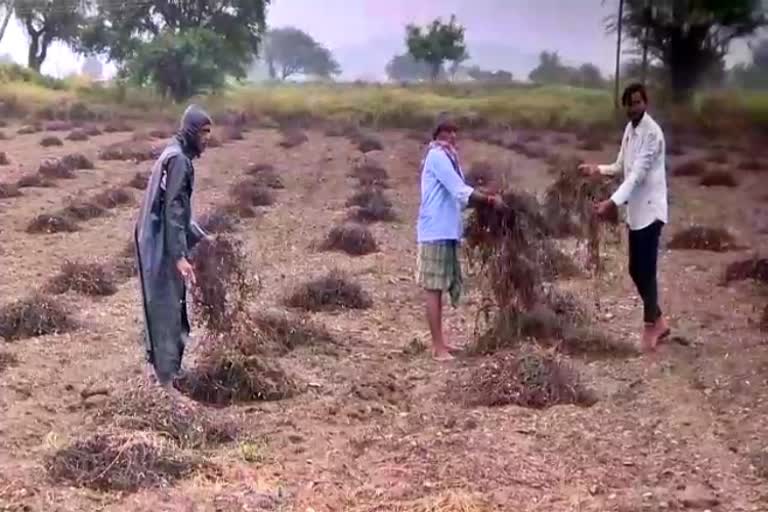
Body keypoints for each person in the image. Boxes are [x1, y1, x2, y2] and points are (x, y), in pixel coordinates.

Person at [579, 83, 670, 352]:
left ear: (646, 103)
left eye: (638, 102)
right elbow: (621, 166)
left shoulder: (652, 134)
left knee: (647, 270)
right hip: (636, 211)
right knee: (634, 269)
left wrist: (611, 202)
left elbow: (637, 174)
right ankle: (659, 319)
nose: (634, 108)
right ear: (625, 107)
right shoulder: (630, 130)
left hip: (651, 209)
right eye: (630, 104)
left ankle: (650, 327)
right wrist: (597, 169)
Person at [134, 104, 213, 400]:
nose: (207, 138)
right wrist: (179, 255)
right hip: (160, 244)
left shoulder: (172, 153)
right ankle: (166, 384)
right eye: (204, 132)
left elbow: (177, 211)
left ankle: (163, 376)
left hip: (154, 239)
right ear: (191, 131)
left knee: (161, 306)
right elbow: (174, 212)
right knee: (167, 309)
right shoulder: (179, 160)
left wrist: (202, 239)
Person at [416, 114, 506, 361]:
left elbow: (458, 196)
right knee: (433, 288)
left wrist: (482, 197)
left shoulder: (448, 157)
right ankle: (437, 348)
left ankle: (441, 343)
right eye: (446, 132)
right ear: (437, 135)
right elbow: (459, 190)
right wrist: (487, 200)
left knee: (440, 286)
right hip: (435, 230)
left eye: (455, 132)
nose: (452, 137)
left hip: (445, 229)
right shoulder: (437, 156)